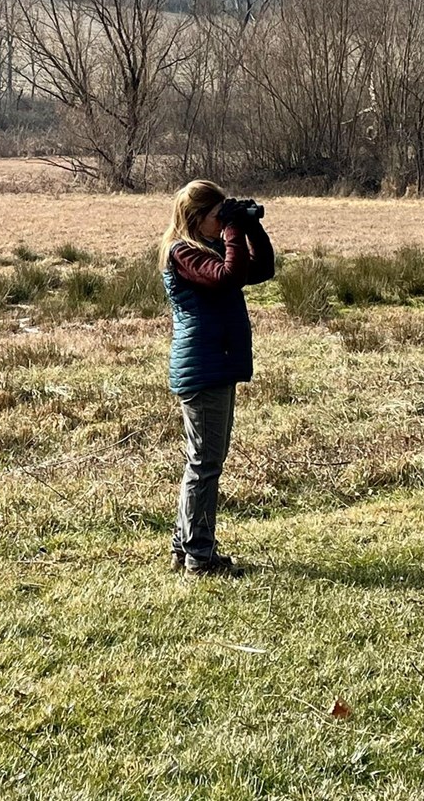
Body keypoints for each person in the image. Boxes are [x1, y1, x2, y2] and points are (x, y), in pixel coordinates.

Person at [160, 179, 275, 577]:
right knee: (205, 464)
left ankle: (185, 547)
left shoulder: (205, 250)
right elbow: (229, 277)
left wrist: (249, 227)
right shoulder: (183, 254)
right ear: (196, 218)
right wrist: (232, 233)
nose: (222, 224)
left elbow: (260, 269)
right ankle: (199, 556)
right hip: (203, 366)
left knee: (204, 462)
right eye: (216, 216)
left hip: (215, 363)